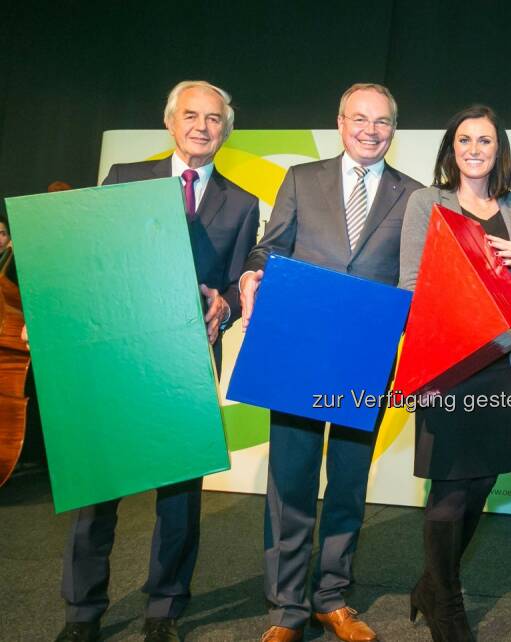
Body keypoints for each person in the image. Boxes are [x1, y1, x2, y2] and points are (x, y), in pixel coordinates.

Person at [56, 80, 260, 642]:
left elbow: (240, 288)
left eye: (214, 118)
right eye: (191, 115)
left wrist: (227, 302)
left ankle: (164, 610)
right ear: (169, 123)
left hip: (185, 365)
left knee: (178, 498)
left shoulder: (243, 204)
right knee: (98, 493)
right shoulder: (125, 178)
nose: (202, 126)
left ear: (227, 130)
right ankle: (82, 614)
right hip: (116, 358)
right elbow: (90, 257)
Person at [240, 83, 421, 642]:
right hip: (296, 352)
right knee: (290, 482)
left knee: (347, 482)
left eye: (382, 122)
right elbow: (270, 247)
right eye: (360, 119)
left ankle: (332, 598)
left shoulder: (415, 195)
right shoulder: (301, 179)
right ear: (340, 122)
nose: (370, 130)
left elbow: (416, 279)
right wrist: (252, 270)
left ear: (394, 128)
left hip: (365, 360)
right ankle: (287, 609)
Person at [397, 104, 511, 642]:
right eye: (464, 140)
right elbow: (411, 285)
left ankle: (432, 585)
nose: (475, 149)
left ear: (498, 149)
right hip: (447, 366)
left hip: (500, 364)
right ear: (450, 149)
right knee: (450, 490)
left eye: (485, 141)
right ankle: (447, 605)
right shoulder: (425, 203)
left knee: (480, 482)